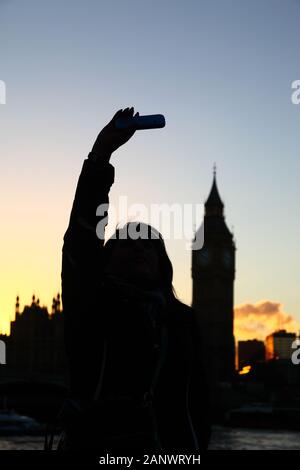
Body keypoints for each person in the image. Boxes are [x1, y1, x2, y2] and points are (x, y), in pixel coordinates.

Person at [60, 107, 211, 452]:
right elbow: (81, 241)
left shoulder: (182, 320)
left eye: (150, 245)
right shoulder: (93, 304)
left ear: (163, 264)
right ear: (107, 259)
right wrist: (101, 155)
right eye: (128, 243)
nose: (140, 249)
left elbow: (198, 405)